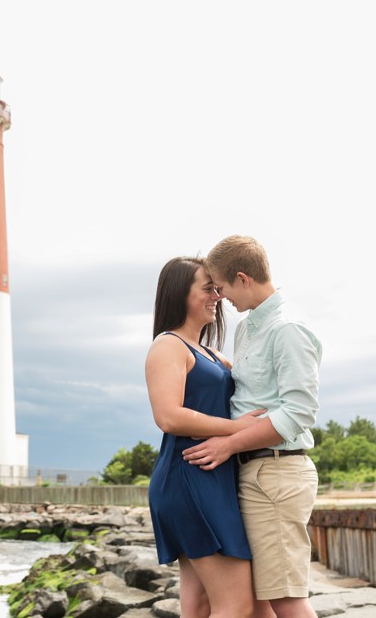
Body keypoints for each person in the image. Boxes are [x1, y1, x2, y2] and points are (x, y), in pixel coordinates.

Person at [182, 236, 323, 618]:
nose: (221, 297)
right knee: (259, 598)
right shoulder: (247, 329)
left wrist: (228, 444)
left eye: (222, 287)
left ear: (242, 279)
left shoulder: (288, 328)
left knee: (285, 596)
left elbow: (298, 412)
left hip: (276, 472)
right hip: (252, 473)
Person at [145, 256, 272, 618]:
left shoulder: (213, 354)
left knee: (199, 605)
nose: (217, 295)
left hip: (212, 477)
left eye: (218, 288)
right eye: (208, 288)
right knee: (236, 605)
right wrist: (239, 429)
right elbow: (168, 417)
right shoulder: (168, 346)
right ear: (179, 294)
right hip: (189, 477)